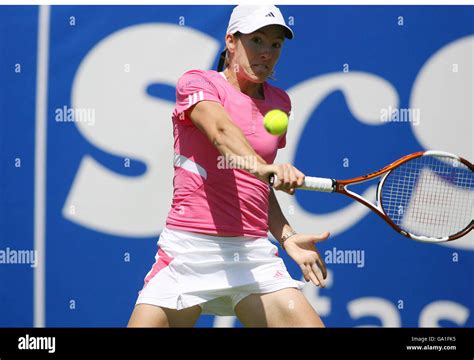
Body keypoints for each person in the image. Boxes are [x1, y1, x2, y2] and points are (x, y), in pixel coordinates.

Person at [128, 5, 330, 328]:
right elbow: (221, 133)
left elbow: (257, 187)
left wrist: (287, 236)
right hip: (188, 251)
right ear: (231, 42)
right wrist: (266, 169)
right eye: (257, 40)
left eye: (275, 45)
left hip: (251, 254)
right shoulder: (197, 83)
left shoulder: (280, 104)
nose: (266, 52)